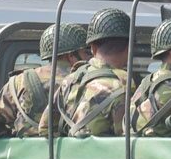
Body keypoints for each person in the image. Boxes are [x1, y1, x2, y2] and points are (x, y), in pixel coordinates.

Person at [0, 23, 86, 139]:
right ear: (71, 55)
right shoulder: (87, 82)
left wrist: (15, 137)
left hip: (25, 150)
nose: (89, 58)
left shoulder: (20, 82)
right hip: (76, 151)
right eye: (86, 52)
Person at [49, 8, 132, 137]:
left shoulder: (70, 80)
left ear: (92, 48)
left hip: (69, 150)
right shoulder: (125, 83)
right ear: (129, 48)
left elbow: (45, 128)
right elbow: (128, 136)